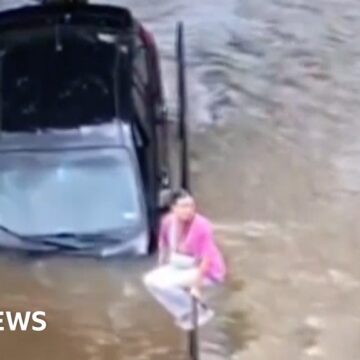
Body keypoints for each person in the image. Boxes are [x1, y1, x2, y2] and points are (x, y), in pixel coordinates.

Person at [143, 189, 227, 330]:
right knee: (150, 280)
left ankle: (199, 311)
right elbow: (163, 246)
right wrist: (161, 267)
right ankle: (184, 311)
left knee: (165, 285)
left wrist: (196, 286)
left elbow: (206, 258)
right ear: (173, 208)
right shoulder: (167, 222)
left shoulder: (202, 225)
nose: (188, 210)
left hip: (205, 270)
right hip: (180, 264)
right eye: (183, 206)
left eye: (191, 206)